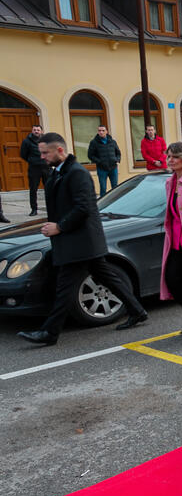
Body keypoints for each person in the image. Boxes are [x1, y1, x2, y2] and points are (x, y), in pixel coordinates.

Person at [17, 132, 148, 346]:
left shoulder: (77, 173)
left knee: (64, 287)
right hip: (77, 241)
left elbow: (84, 207)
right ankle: (137, 310)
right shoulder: (58, 172)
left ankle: (50, 332)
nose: (41, 157)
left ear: (60, 150)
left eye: (45, 152)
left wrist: (59, 227)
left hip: (79, 242)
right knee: (106, 276)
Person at [159, 142, 182, 334]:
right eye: (168, 156)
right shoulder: (170, 182)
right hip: (176, 241)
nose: (170, 160)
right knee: (173, 278)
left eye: (175, 156)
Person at [20, 124, 50, 216]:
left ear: (41, 131)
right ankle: (34, 209)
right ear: (32, 131)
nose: (36, 131)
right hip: (34, 168)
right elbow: (23, 154)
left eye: (38, 130)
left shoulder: (46, 141)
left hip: (46, 167)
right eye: (34, 130)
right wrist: (32, 161)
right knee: (33, 189)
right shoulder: (26, 141)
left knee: (49, 188)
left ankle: (51, 208)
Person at [87, 126, 121, 197]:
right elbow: (90, 155)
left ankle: (115, 201)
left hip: (113, 168)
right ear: (98, 132)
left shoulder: (112, 141)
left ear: (106, 131)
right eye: (99, 131)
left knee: (115, 187)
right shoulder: (94, 142)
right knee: (103, 188)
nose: (101, 132)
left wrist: (117, 160)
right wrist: (99, 162)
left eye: (103, 130)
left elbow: (118, 153)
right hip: (102, 169)